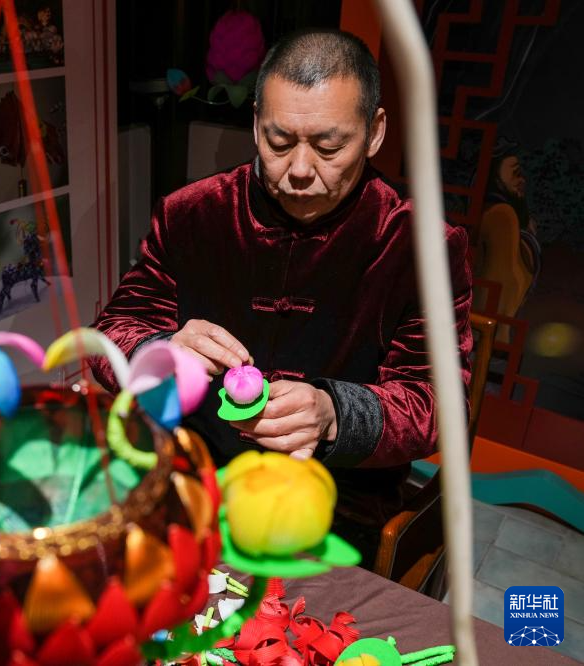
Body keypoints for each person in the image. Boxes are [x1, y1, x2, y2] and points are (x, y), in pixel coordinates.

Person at [90, 29, 473, 546]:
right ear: (255, 124)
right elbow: (110, 333)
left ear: (375, 132)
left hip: (334, 505)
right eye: (279, 142)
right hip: (196, 477)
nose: (300, 171)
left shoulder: (418, 246)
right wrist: (159, 351)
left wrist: (335, 414)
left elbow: (436, 404)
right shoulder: (191, 214)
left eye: (329, 146)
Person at [474, 137, 541, 344]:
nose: (522, 180)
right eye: (515, 173)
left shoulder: (508, 217)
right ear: (494, 177)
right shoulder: (502, 215)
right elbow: (505, 282)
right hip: (486, 336)